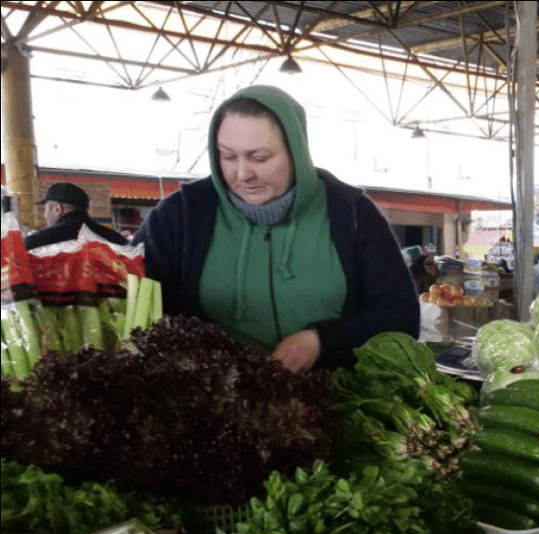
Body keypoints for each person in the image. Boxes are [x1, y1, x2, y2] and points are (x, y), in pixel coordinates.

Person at [135, 85, 418, 373]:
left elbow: (400, 314)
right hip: (213, 401)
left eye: (259, 158)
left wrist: (321, 341)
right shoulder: (180, 215)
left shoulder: (353, 214)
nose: (243, 174)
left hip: (334, 398)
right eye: (228, 156)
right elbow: (128, 305)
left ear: (296, 151)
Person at [24, 182, 129, 249]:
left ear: (57, 209)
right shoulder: (116, 239)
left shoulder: (36, 241)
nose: (45, 215)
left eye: (45, 209)